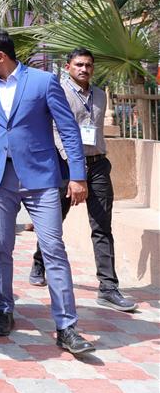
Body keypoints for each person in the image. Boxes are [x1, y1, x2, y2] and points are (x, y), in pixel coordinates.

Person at [0, 30, 95, 355]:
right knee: (1, 249)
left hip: (41, 178)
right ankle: (4, 309)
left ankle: (66, 327)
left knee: (54, 249)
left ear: (1, 55)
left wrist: (77, 176)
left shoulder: (43, 81)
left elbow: (68, 129)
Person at [29, 48, 136, 313]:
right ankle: (39, 262)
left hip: (98, 164)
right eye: (79, 64)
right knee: (54, 222)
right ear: (68, 67)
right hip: (65, 166)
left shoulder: (100, 95)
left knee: (102, 226)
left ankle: (108, 288)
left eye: (88, 65)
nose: (84, 69)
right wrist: (70, 161)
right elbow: (53, 129)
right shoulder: (58, 91)